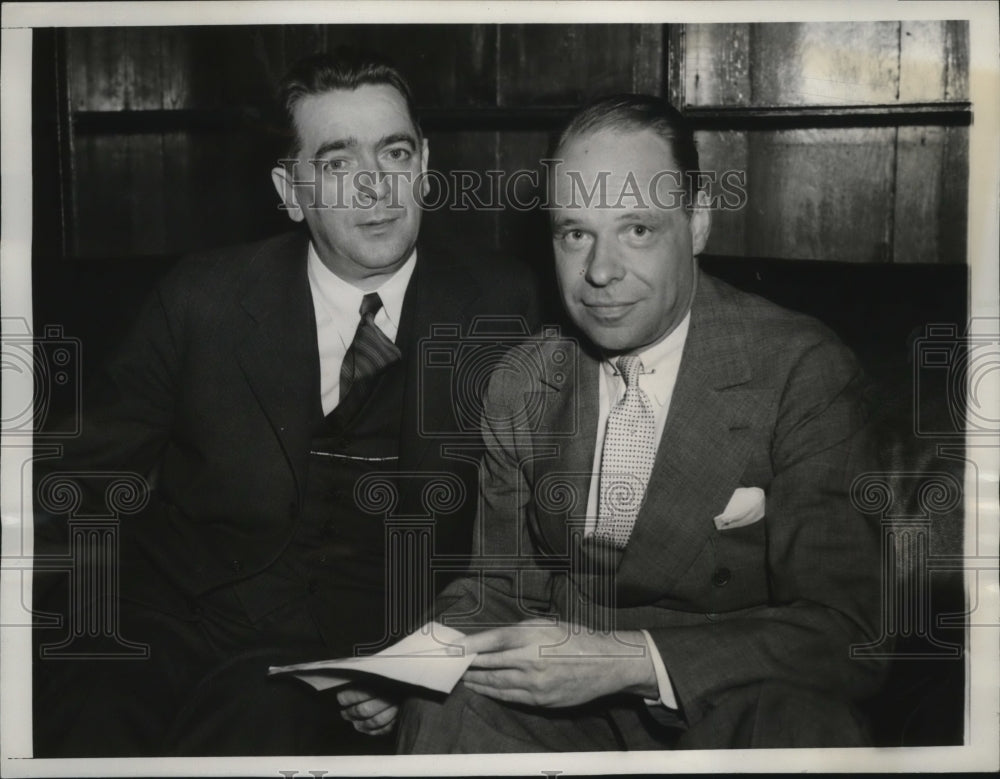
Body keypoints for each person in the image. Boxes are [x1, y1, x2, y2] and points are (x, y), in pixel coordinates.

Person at [32, 49, 539, 757]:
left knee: (258, 724)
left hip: (360, 658)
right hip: (174, 619)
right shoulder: (204, 298)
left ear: (424, 166)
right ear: (291, 190)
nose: (375, 186)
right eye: (338, 162)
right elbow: (73, 481)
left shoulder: (508, 307)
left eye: (395, 153)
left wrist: (424, 662)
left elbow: (533, 541)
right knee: (90, 713)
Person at [344, 93, 887, 751]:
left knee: (801, 729)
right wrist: (414, 665)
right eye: (575, 234)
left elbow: (846, 630)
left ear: (697, 223)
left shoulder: (802, 370)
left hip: (729, 702)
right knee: (444, 711)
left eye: (637, 230)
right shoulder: (523, 380)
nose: (600, 272)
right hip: (562, 717)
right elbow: (498, 587)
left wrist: (631, 660)